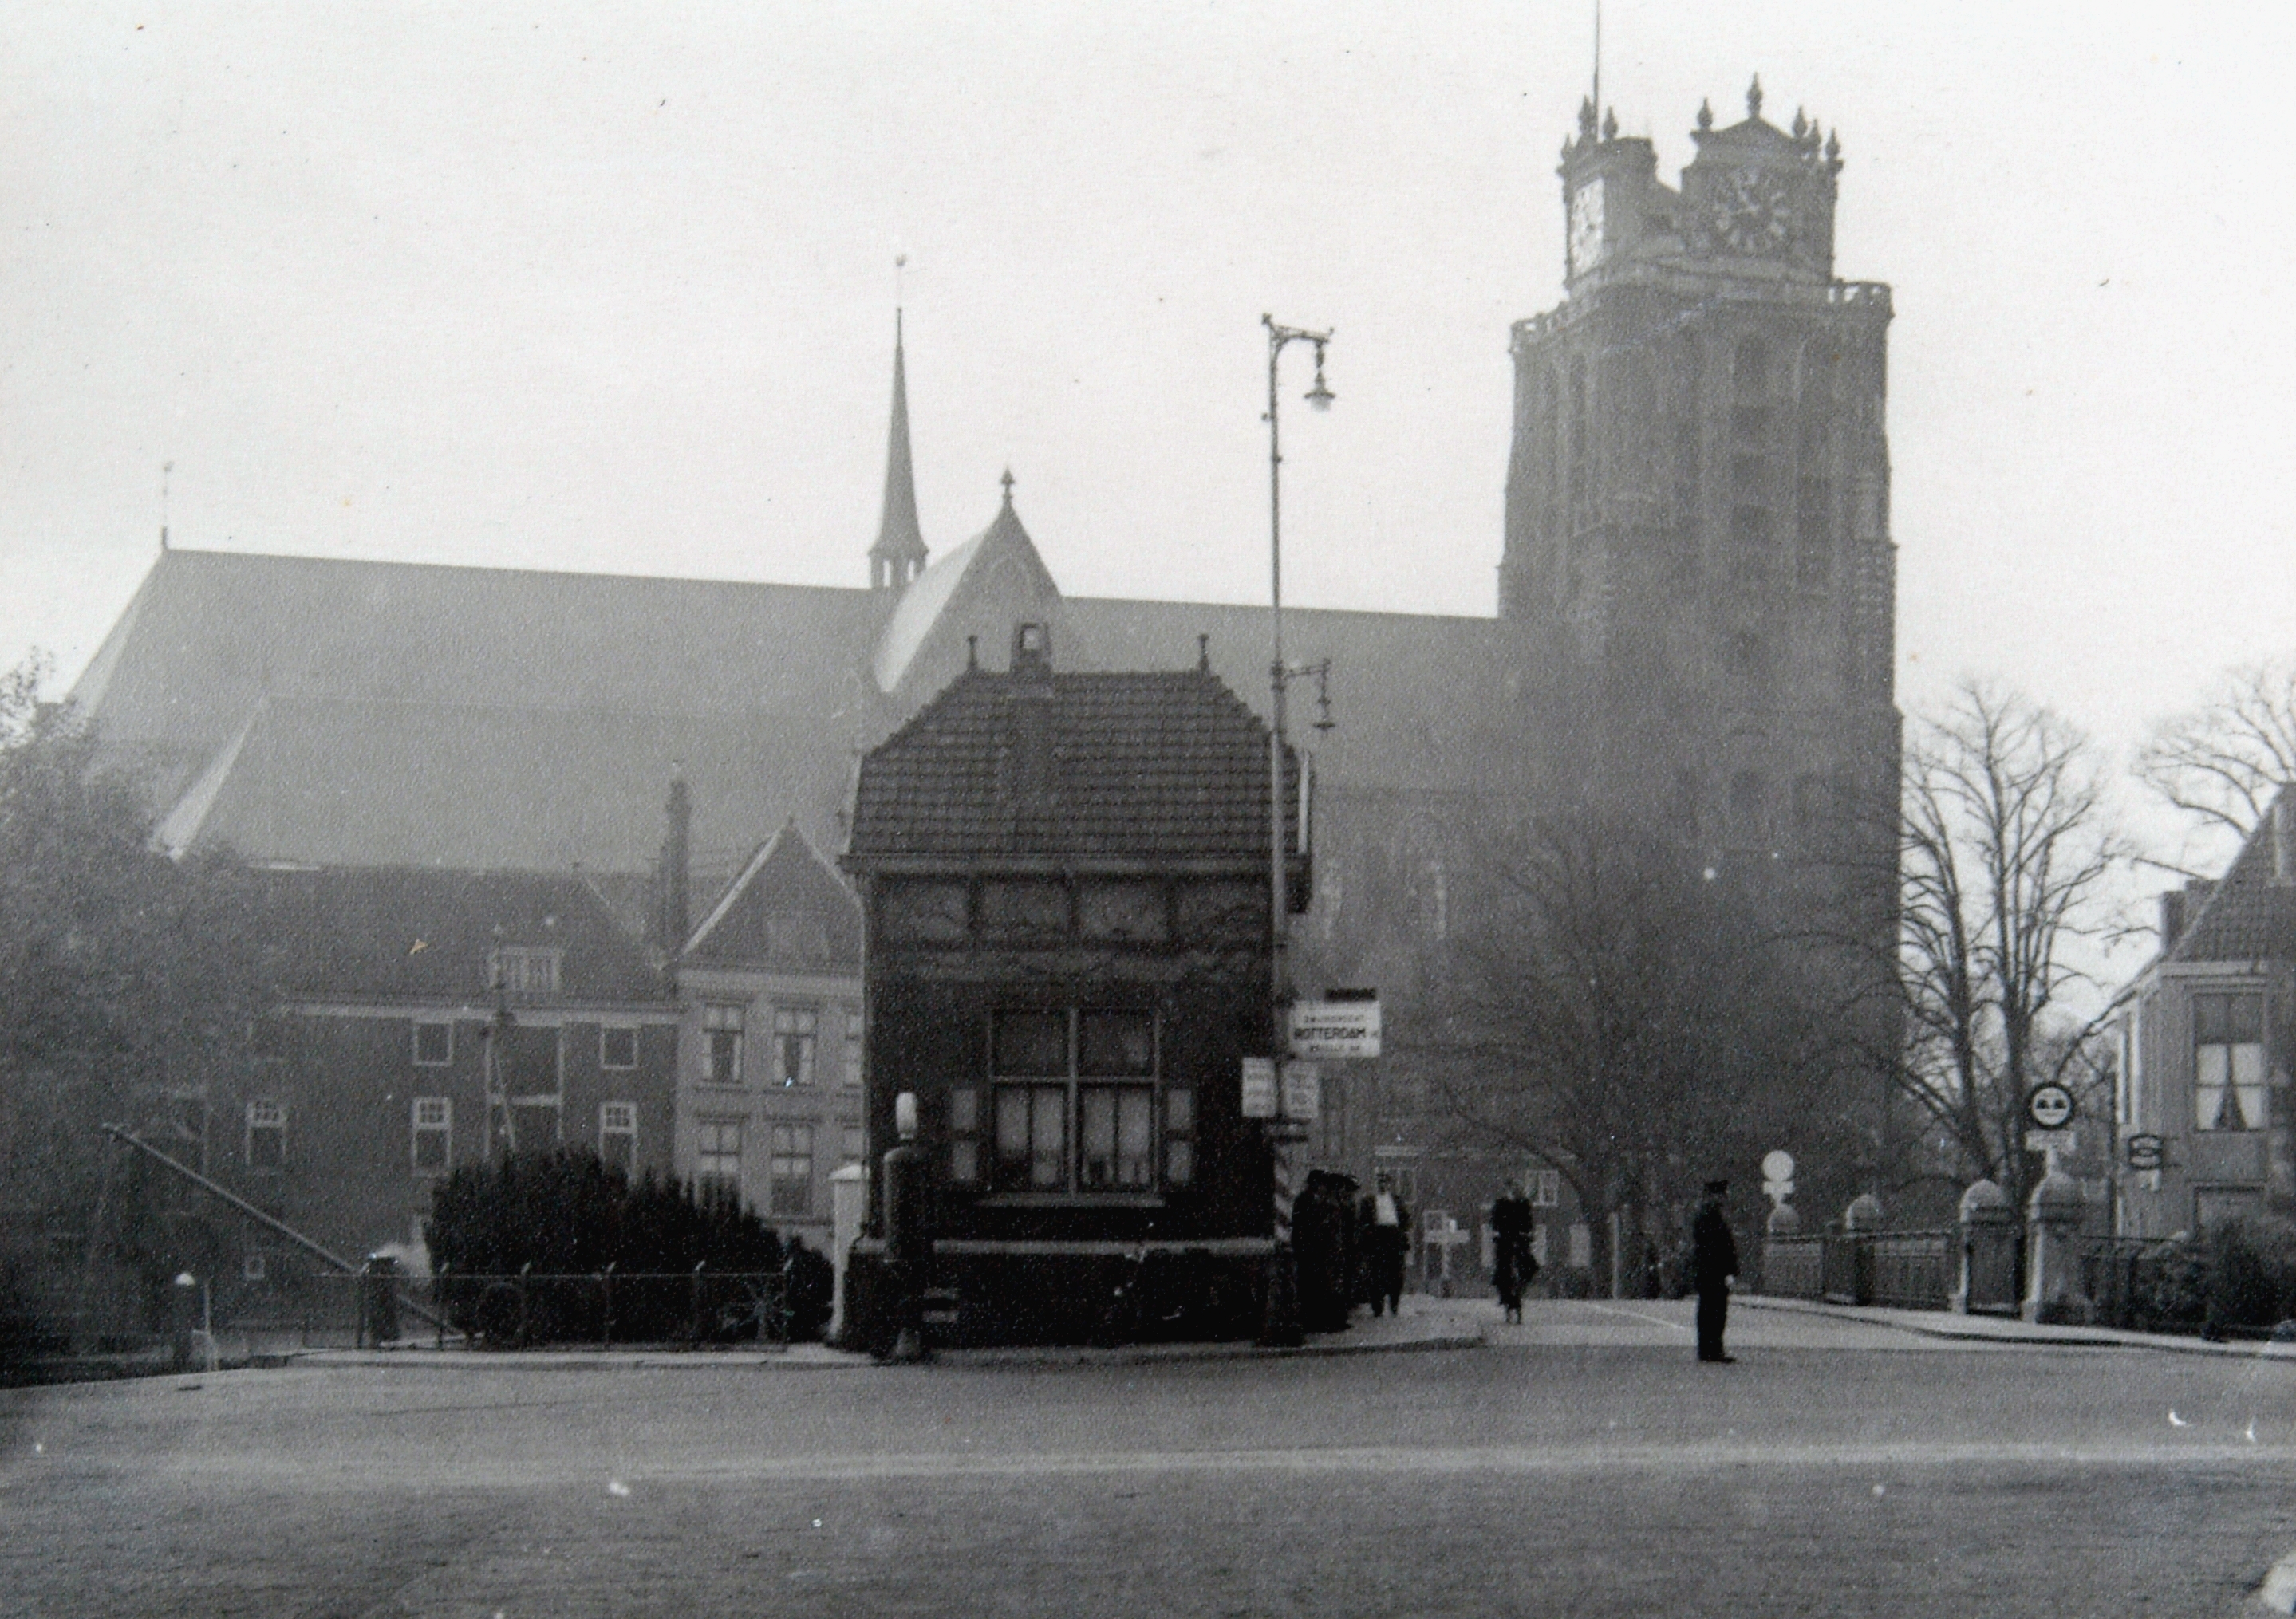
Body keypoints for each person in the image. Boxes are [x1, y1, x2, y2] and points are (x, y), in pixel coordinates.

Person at [1691, 1178, 1740, 1363]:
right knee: (1715, 1311)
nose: (1725, 1198)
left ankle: (1708, 1349)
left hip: (1707, 1270)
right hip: (1713, 1271)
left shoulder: (1705, 1215)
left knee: (1708, 1311)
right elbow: (1720, 1247)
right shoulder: (1711, 1217)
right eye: (1723, 1194)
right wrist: (1728, 1269)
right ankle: (1713, 1349)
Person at [1359, 1172, 1410, 1318]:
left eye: (1385, 1182)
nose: (1382, 1185)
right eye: (1379, 1182)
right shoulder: (1368, 1201)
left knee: (1396, 1274)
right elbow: (1363, 1221)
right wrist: (1369, 1235)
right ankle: (1377, 1307)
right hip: (1377, 1239)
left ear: (1389, 1184)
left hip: (1394, 1238)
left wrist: (1401, 1233)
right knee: (1376, 1274)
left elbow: (1406, 1219)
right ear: (1375, 1184)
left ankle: (1394, 1305)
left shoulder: (1397, 1200)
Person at [1489, 1180, 1537, 1324]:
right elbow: (1494, 1222)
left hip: (1520, 1239)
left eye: (1516, 1188)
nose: (1514, 1191)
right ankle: (1504, 1295)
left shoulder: (1524, 1204)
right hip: (1505, 1240)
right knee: (1502, 1268)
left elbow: (1529, 1222)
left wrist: (1527, 1233)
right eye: (1511, 1188)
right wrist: (1498, 1231)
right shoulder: (1500, 1204)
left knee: (1529, 1266)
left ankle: (1520, 1289)